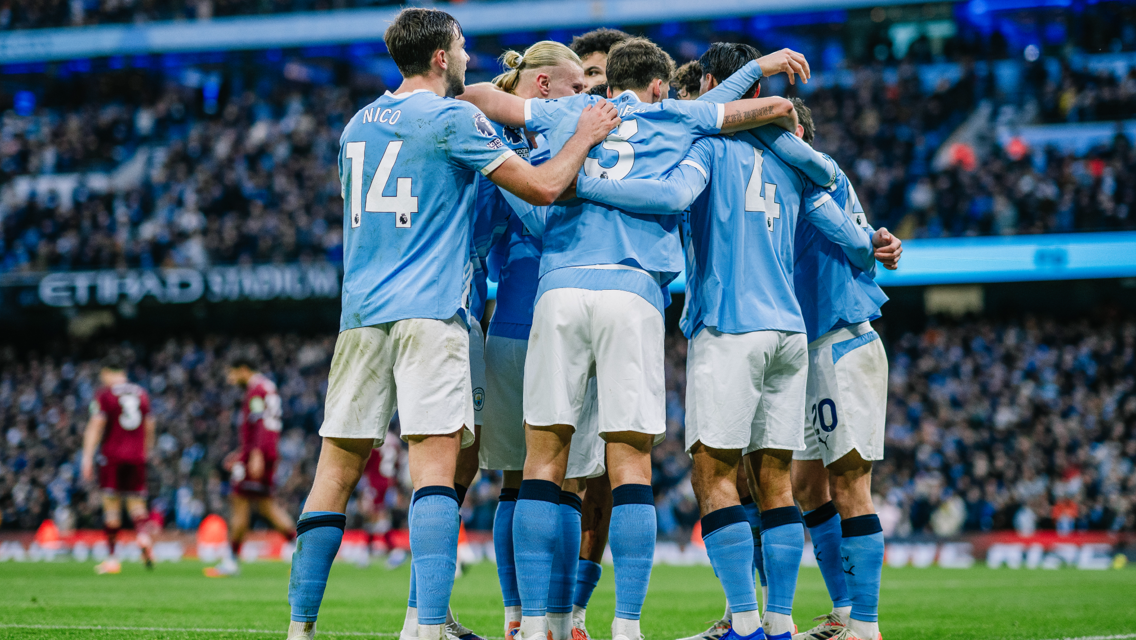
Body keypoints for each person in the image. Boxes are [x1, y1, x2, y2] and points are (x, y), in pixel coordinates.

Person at [282, 9, 620, 640]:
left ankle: (300, 629)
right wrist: (584, 135)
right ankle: (426, 627)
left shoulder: (357, 125)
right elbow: (545, 187)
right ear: (441, 56)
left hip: (358, 317)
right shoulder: (452, 118)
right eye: (462, 47)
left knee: (334, 471)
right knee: (435, 474)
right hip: (433, 313)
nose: (468, 58)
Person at [459, 36, 809, 640]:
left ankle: (537, 624)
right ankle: (625, 626)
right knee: (630, 467)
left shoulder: (574, 112)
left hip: (558, 290)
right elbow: (736, 109)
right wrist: (764, 73)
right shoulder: (675, 116)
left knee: (542, 463)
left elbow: (485, 97)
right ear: (657, 85)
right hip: (633, 292)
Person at [573, 47, 899, 640]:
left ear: (712, 84)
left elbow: (670, 198)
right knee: (775, 480)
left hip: (730, 327)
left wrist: (591, 183)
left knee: (713, 473)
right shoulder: (794, 158)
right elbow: (844, 228)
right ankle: (778, 624)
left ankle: (745, 623)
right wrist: (874, 239)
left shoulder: (706, 144)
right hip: (791, 334)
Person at [470, 40, 597, 640]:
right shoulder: (549, 150)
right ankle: (560, 619)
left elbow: (490, 244)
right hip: (559, 324)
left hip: (506, 325)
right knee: (565, 479)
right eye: (577, 89)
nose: (586, 98)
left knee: (516, 481)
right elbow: (547, 211)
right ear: (543, 89)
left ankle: (517, 618)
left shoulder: (485, 147)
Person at [787, 98, 894, 640]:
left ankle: (866, 626)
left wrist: (873, 245)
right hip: (808, 346)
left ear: (799, 130)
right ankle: (845, 612)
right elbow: (868, 235)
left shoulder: (813, 173)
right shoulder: (806, 178)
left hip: (841, 338)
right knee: (807, 485)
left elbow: (856, 243)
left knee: (850, 482)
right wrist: (882, 240)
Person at [204, 355, 297, 578]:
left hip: (259, 455)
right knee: (266, 506)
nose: (230, 378)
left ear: (243, 369)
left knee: (239, 501)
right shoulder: (268, 387)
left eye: (232, 373)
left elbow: (259, 423)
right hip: (266, 452)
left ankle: (231, 560)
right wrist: (243, 453)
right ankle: (300, 553)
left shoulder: (256, 390)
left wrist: (254, 455)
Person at [81, 355, 157, 574]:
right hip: (137, 456)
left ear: (107, 372)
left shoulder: (104, 395)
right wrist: (147, 451)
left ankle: (113, 558)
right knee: (136, 503)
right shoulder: (142, 393)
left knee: (112, 507)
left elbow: (97, 424)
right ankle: (142, 536)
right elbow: (150, 424)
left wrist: (87, 456)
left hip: (112, 455)